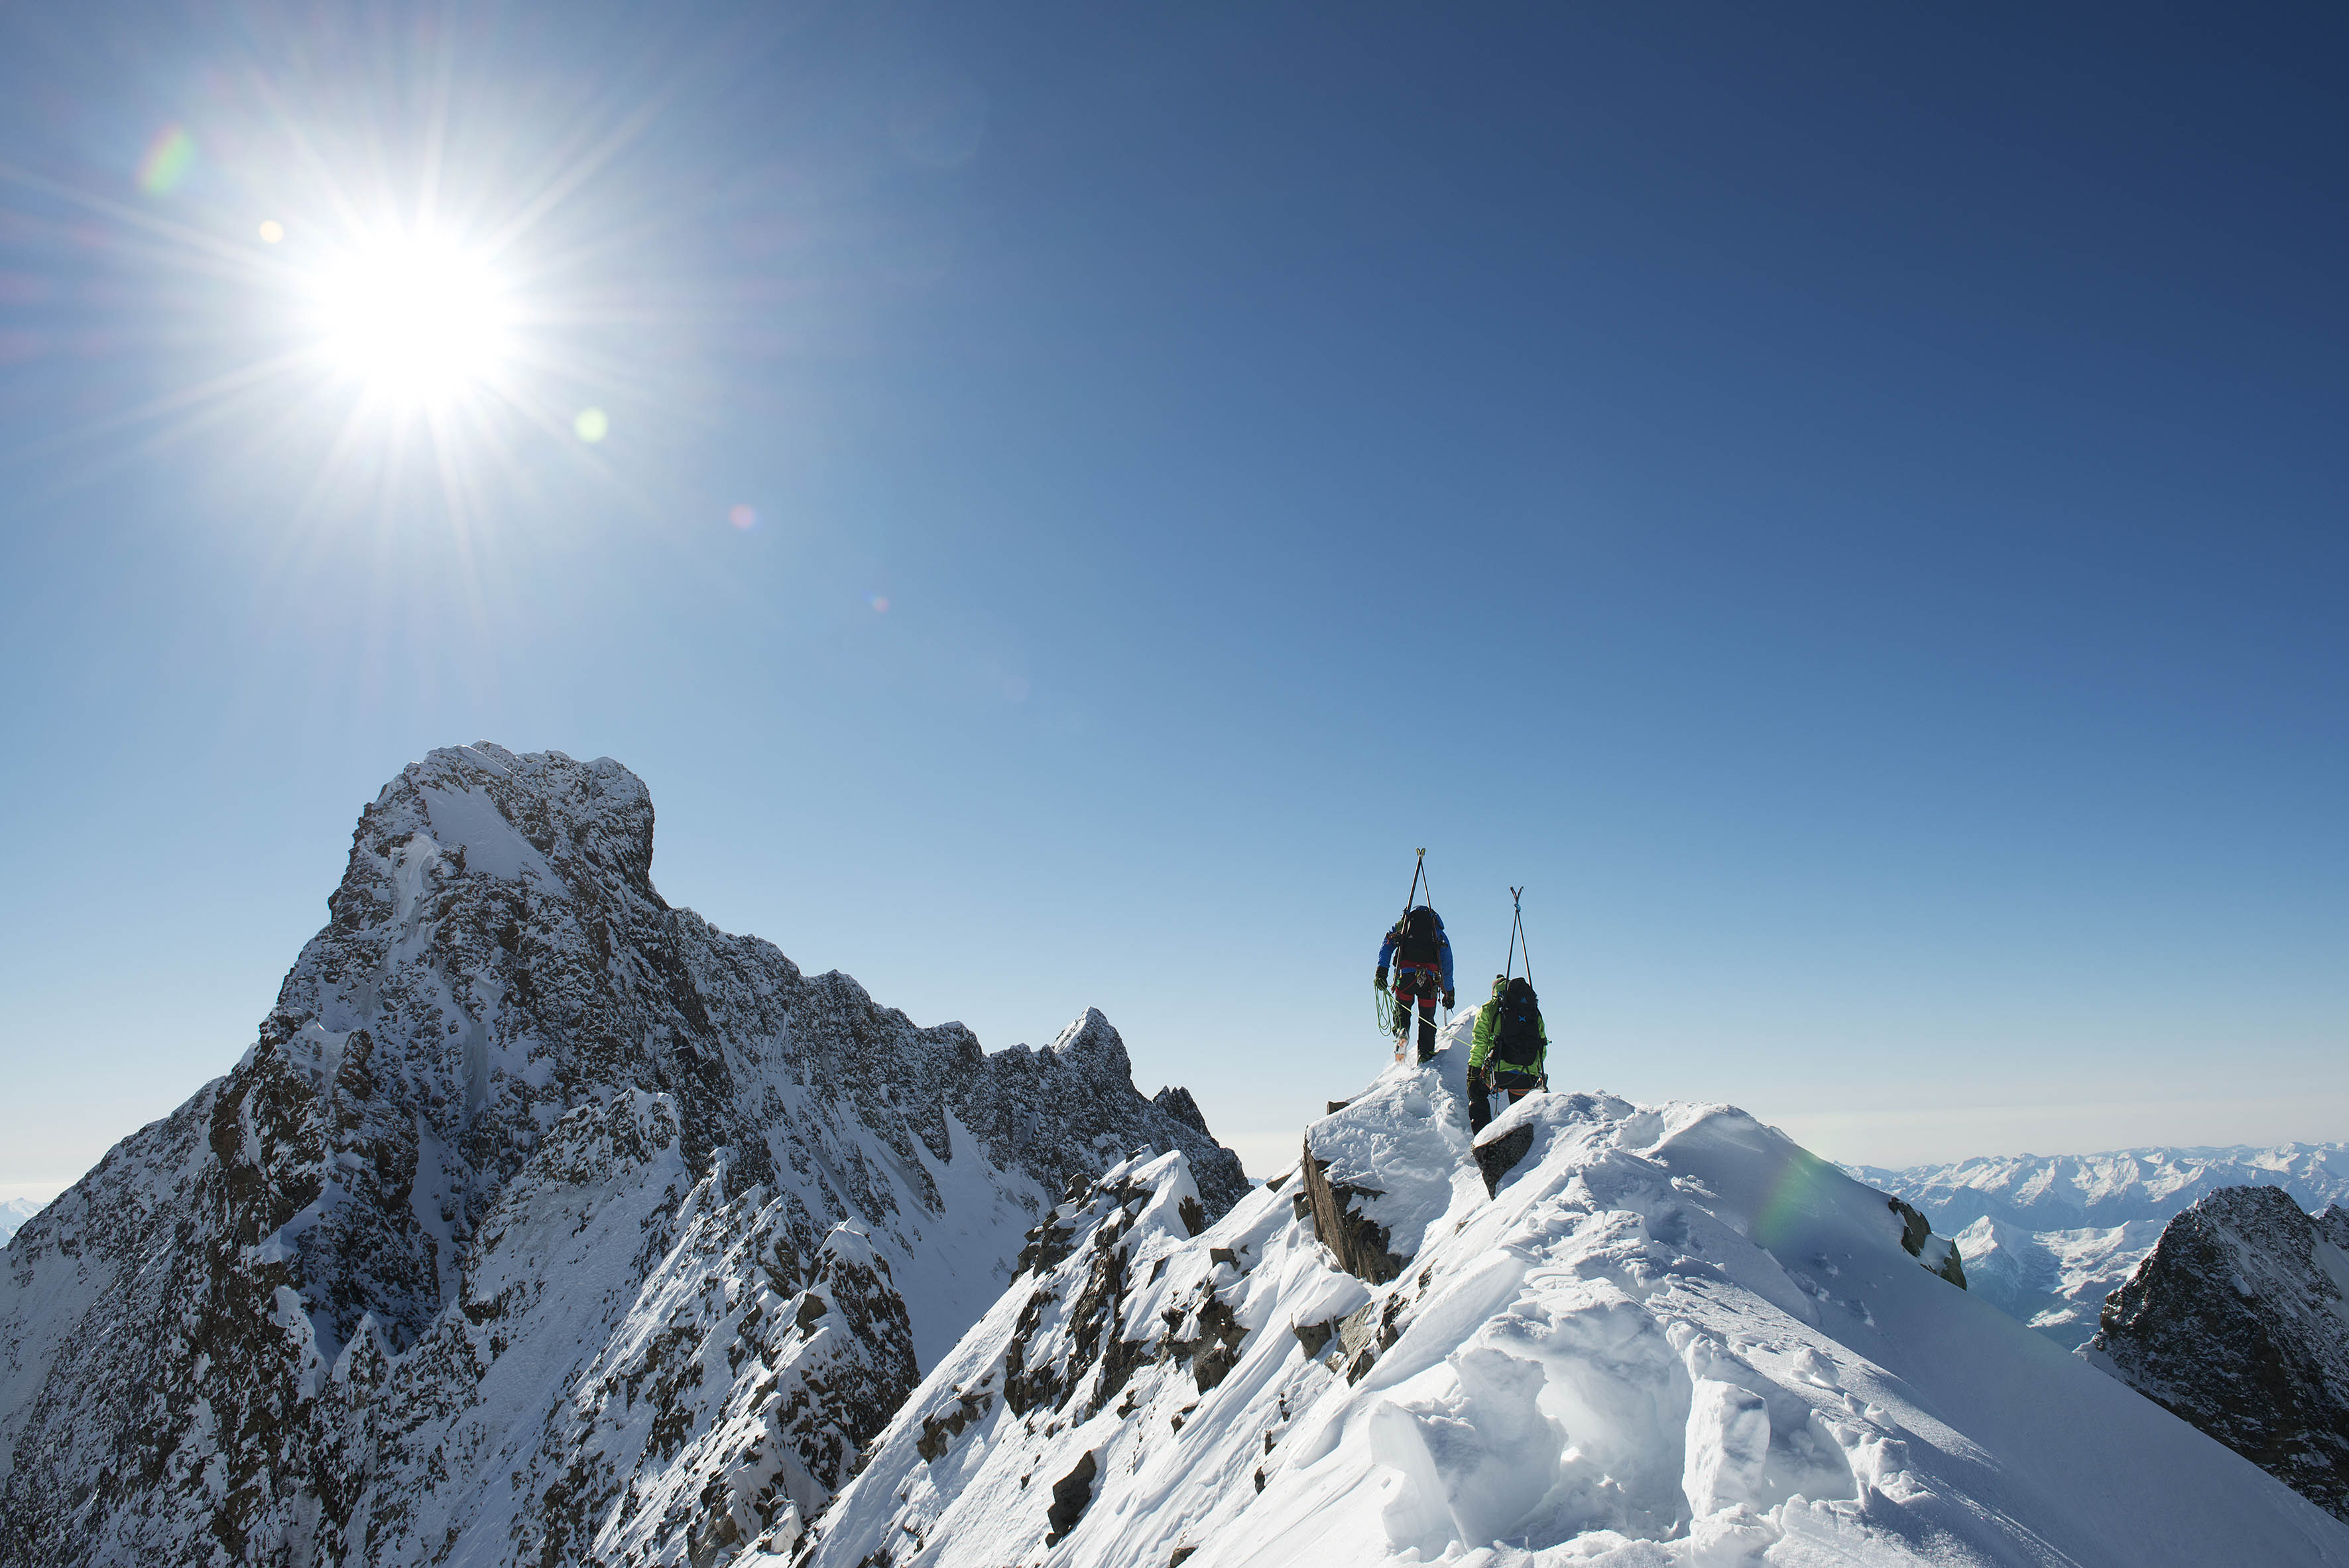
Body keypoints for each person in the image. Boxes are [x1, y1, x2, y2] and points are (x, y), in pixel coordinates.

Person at [1467, 974, 1547, 1133]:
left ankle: (1482, 1138)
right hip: (1527, 1074)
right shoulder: (1532, 1010)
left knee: (1477, 1094)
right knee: (1521, 1111)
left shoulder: (1491, 1007)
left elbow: (1480, 1042)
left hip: (1499, 1073)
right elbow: (1542, 1046)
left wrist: (1473, 1071)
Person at [1376, 904, 1454, 1063]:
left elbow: (1387, 944)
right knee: (1427, 1018)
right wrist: (1449, 993)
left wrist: (1381, 970)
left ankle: (1402, 1031)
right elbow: (1447, 965)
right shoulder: (1437, 931)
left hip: (1406, 977)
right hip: (1429, 981)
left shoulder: (1403, 926)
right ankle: (1425, 1054)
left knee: (1402, 1011)